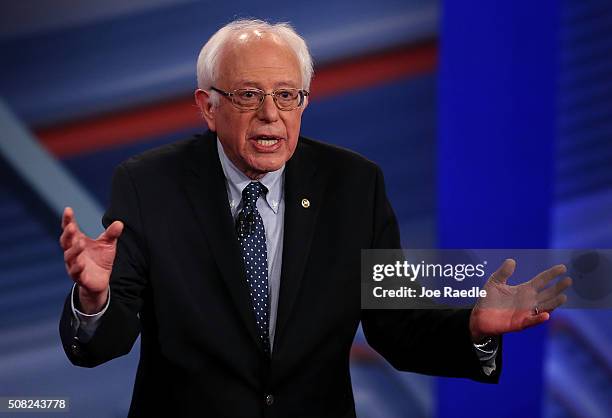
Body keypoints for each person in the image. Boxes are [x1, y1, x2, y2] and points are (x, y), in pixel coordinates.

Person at [58, 19, 571, 418]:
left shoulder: (354, 187)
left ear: (304, 101)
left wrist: (474, 329)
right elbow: (104, 343)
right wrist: (95, 299)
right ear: (208, 107)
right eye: (248, 94)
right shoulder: (149, 186)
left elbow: (397, 326)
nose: (270, 114)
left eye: (287, 95)